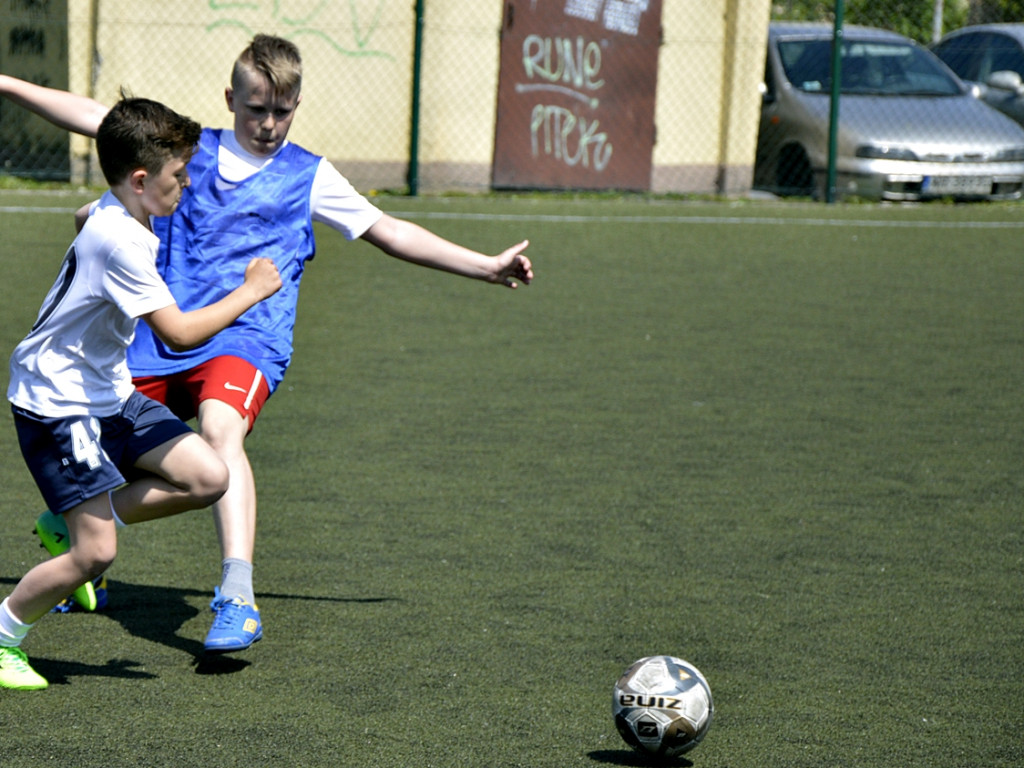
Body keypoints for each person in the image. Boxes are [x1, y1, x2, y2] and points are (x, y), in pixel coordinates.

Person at [0, 34, 533, 654]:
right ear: (232, 100)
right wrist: (6, 84)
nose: (269, 123)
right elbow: (98, 118)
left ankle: (236, 594)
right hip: (160, 337)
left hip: (245, 338)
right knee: (113, 460)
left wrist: (485, 266)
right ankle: (80, 533)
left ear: (297, 104)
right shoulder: (185, 153)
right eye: (257, 109)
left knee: (219, 433)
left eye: (282, 110)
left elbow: (389, 231)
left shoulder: (309, 175)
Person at [0, 95, 283, 689]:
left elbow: (85, 214)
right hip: (60, 405)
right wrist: (252, 291)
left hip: (107, 391)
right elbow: (178, 334)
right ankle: (5, 636)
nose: (187, 184)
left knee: (208, 476)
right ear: (138, 180)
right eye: (178, 174)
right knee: (95, 555)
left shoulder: (117, 212)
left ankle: (65, 520)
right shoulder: (122, 242)